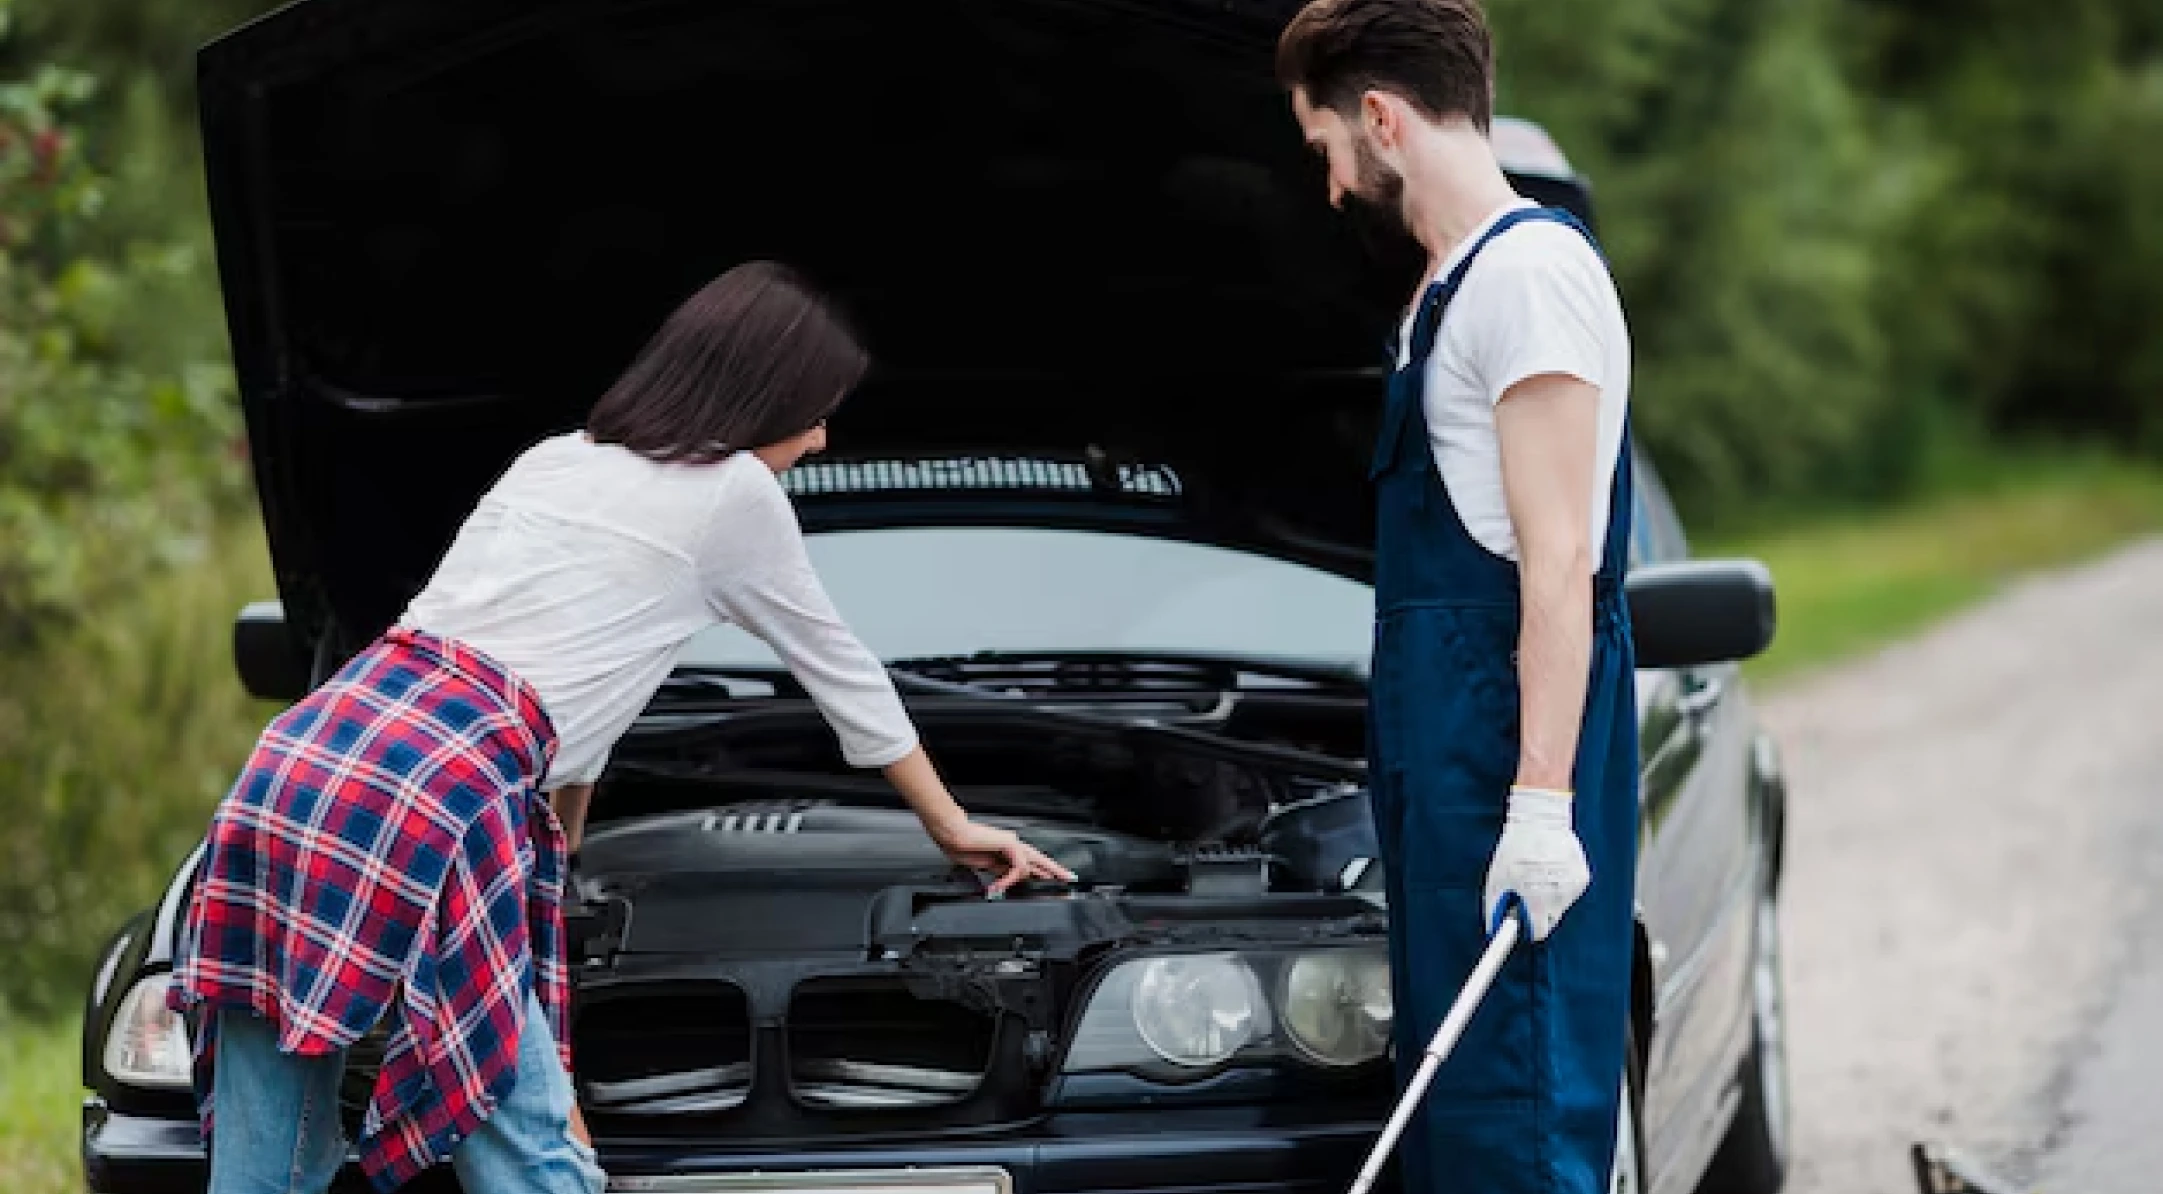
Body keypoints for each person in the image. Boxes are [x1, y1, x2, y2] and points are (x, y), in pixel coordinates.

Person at [166, 260, 1075, 1194]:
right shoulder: (732, 493)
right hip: (440, 782)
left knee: (265, 1141)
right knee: (524, 1142)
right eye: (814, 409)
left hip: (306, 756)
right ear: (766, 395)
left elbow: (560, 691)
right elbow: (840, 670)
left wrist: (558, 856)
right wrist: (949, 824)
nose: (819, 437)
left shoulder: (556, 457)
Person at [1275, 3, 1639, 1192]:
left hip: (1502, 781)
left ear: (1380, 120)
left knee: (1515, 1136)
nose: (1329, 186)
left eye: (1325, 146)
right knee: (1455, 1143)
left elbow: (1556, 563)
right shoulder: (1445, 291)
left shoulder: (1528, 278)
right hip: (1448, 783)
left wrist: (1540, 805)